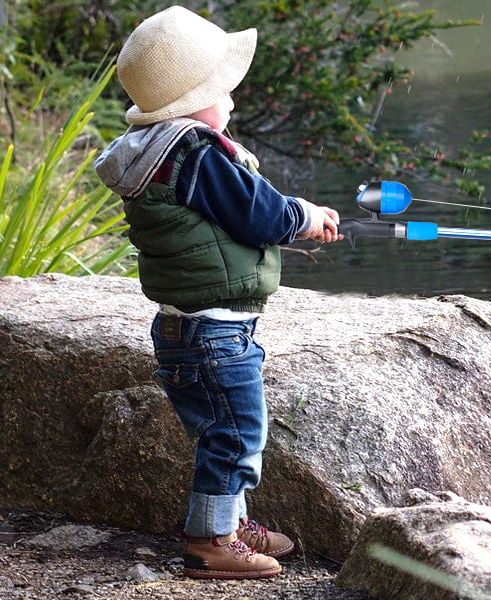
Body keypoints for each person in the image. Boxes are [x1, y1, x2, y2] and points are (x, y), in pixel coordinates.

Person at [95, 5, 342, 579]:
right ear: (191, 102)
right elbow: (258, 215)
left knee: (225, 430)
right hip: (213, 334)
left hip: (192, 328)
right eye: (222, 91)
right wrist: (303, 216)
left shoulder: (156, 151)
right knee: (236, 435)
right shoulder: (195, 153)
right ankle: (211, 542)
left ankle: (230, 521)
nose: (230, 102)